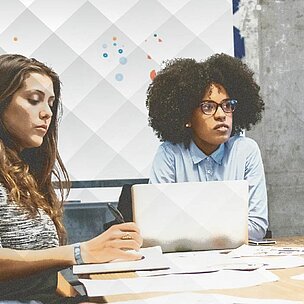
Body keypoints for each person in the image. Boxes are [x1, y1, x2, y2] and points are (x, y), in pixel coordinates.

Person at [0, 54, 143, 303]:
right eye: (34, 100)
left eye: (51, 104)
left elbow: (43, 275)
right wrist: (80, 252)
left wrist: (84, 298)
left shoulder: (25, 175)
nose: (47, 113)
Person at [147, 53, 268, 241]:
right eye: (208, 107)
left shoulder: (246, 151)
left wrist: (187, 227)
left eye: (227, 105)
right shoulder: (170, 154)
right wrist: (228, 227)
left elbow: (257, 227)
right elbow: (158, 226)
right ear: (187, 116)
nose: (221, 115)